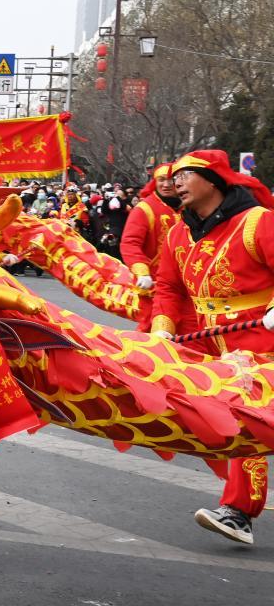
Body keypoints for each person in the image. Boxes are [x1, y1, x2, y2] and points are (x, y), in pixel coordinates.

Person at [150, 149, 274, 545]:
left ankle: (238, 511)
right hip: (209, 345)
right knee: (221, 423)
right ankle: (240, 505)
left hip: (261, 340)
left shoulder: (258, 223)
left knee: (243, 419)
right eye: (176, 175)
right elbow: (168, 288)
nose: (178, 181)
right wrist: (162, 329)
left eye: (187, 174)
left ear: (214, 180)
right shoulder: (177, 233)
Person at [120, 164, 186, 332]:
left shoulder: (190, 207)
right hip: (155, 286)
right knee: (155, 329)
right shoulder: (144, 209)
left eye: (171, 180)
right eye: (161, 180)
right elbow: (130, 243)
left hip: (188, 285)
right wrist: (142, 272)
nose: (166, 185)